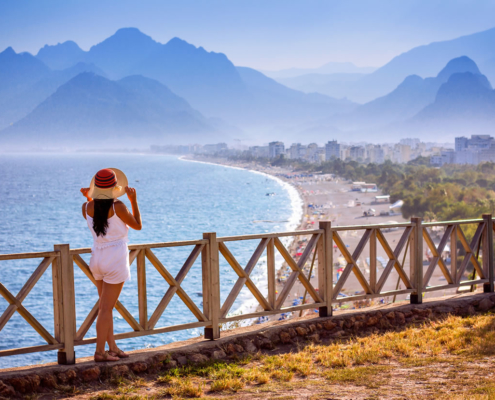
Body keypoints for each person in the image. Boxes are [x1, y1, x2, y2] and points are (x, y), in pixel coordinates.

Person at [80, 168, 142, 362]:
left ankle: (112, 347)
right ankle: (100, 352)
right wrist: (133, 200)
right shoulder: (119, 206)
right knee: (106, 309)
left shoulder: (86, 207)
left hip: (97, 259)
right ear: (115, 187)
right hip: (115, 259)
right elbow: (137, 225)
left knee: (105, 307)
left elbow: (98, 218)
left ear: (95, 188)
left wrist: (89, 198)